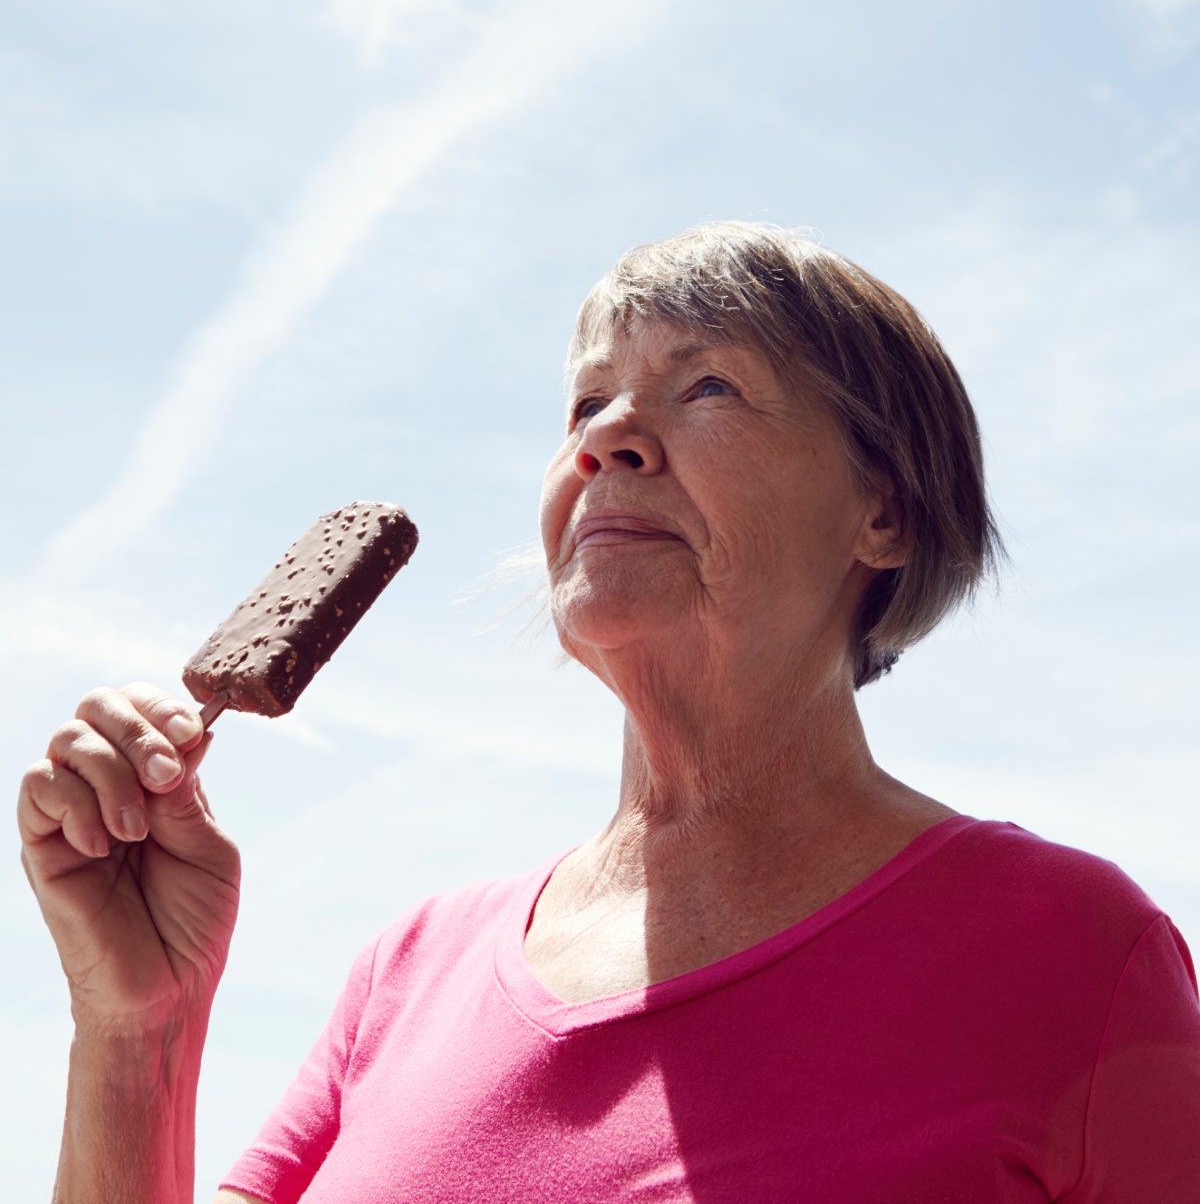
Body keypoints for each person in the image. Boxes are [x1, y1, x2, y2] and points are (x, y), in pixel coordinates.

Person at [20, 223, 1200, 1203]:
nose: (605, 439)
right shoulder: (411, 970)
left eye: (709, 386)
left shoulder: (1076, 955)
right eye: (587, 401)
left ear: (881, 515)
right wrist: (139, 1034)